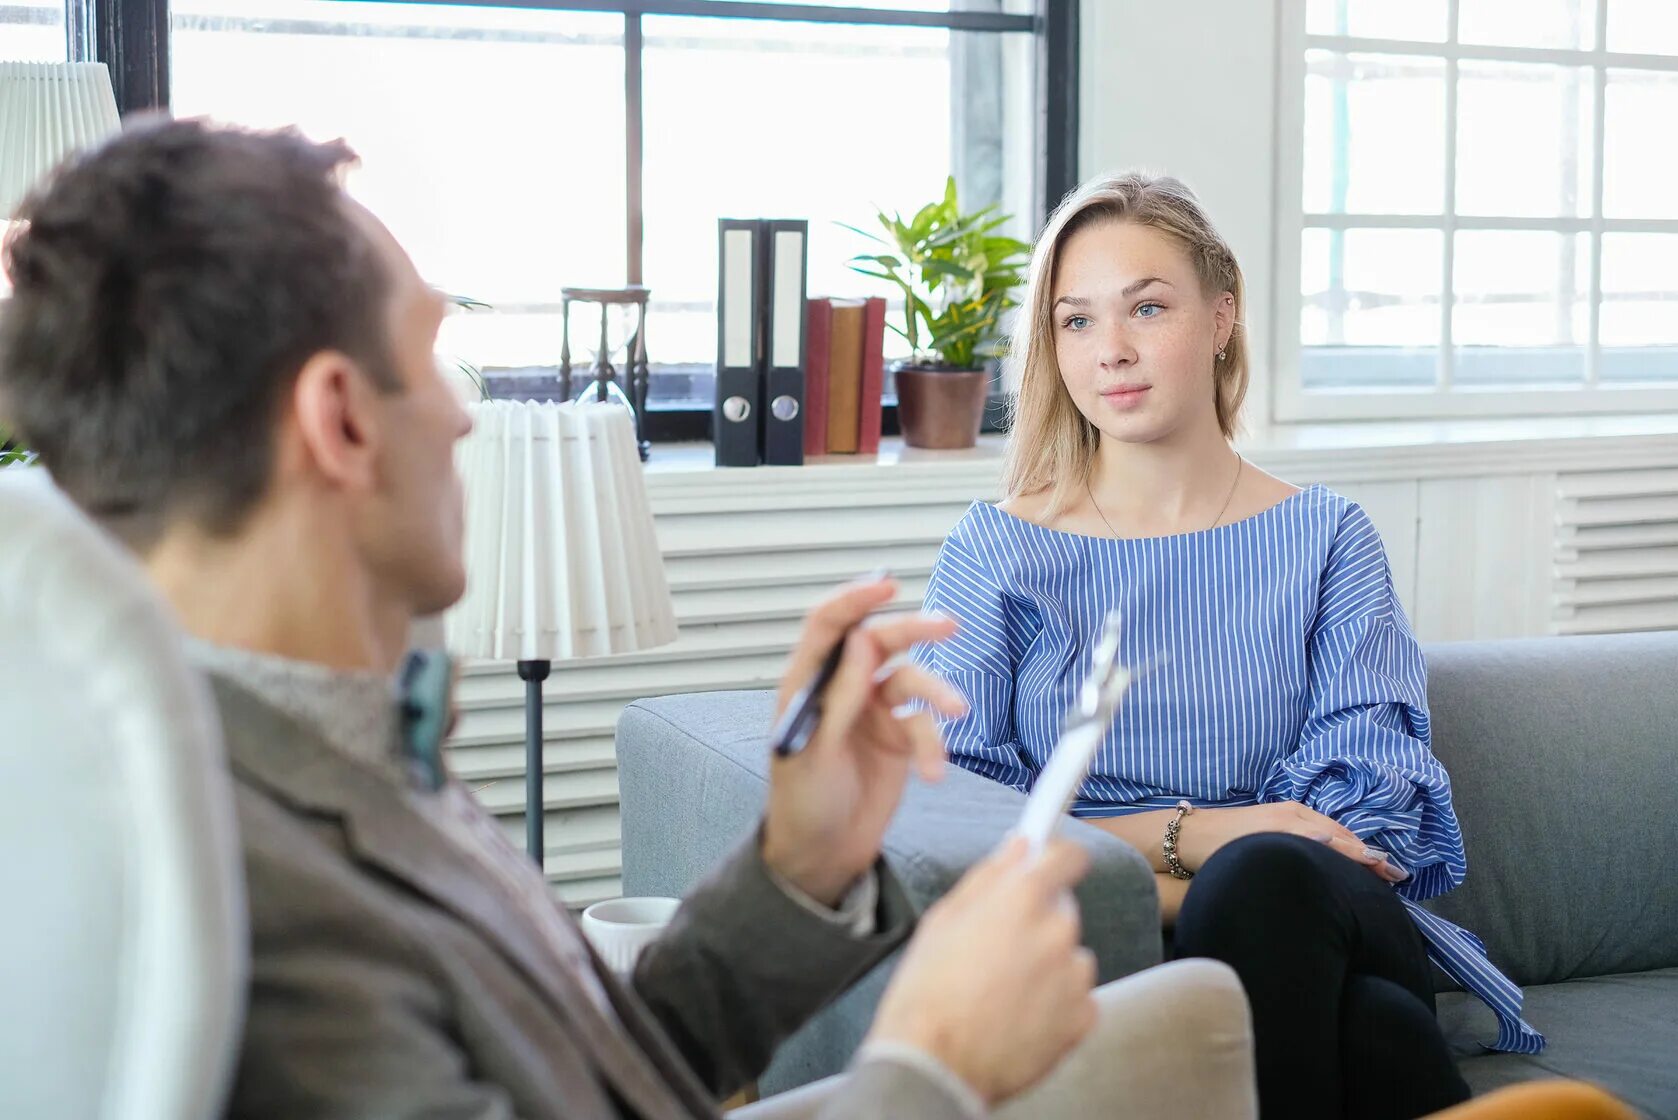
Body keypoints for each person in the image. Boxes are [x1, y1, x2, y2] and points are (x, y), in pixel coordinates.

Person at [0, 118, 1259, 1120]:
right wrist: (930, 1063)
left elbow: (588, 1068)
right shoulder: (239, 912)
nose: (461, 416)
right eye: (435, 358)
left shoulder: (314, 734)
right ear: (339, 420)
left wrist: (800, 867)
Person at [914, 171, 1542, 1120]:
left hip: (1326, 908)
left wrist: (1198, 853)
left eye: (1148, 308)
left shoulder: (1326, 536)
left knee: (1271, 878)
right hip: (1117, 937)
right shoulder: (997, 551)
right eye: (1075, 322)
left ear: (1221, 317)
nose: (1111, 352)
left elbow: (1364, 818)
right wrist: (1208, 834)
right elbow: (970, 823)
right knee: (1378, 1032)